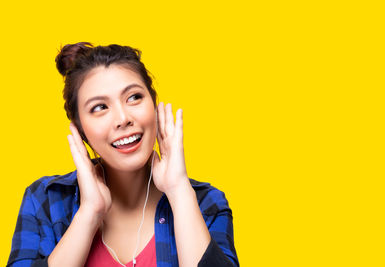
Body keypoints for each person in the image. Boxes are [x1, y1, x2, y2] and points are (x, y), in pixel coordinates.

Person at [7, 42, 239, 267]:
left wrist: (179, 190)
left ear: (154, 105)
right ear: (80, 131)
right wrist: (89, 213)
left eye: (134, 97)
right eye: (99, 107)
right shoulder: (47, 200)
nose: (123, 118)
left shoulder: (206, 203)